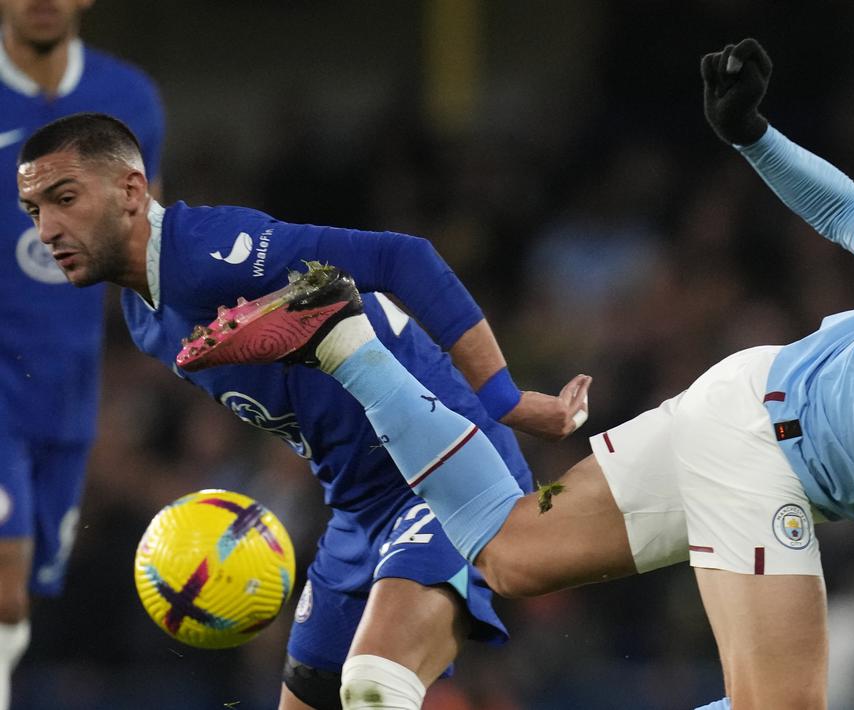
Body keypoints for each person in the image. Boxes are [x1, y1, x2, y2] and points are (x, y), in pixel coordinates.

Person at [142, 40, 854, 710]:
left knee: (511, 553)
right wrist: (752, 133)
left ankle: (345, 344)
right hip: (759, 435)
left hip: (746, 428)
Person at [14, 112, 590, 710]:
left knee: (374, 686)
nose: (48, 228)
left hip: (441, 479)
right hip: (357, 512)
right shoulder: (143, 318)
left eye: (65, 198)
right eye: (34, 210)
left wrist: (507, 399)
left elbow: (404, 259)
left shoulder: (206, 253)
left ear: (131, 191)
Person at [0, 1, 163, 706]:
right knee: (4, 579)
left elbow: (141, 237)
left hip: (66, 384)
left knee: (21, 601)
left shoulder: (130, 100)